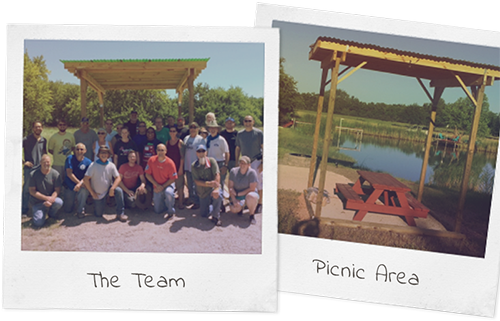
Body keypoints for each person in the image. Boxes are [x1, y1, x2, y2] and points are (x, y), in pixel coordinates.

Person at [83, 145, 126, 221]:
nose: (104, 155)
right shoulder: (93, 165)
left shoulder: (111, 165)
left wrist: (112, 188)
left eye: (106, 153)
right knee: (98, 214)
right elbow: (86, 179)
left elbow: (118, 178)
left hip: (108, 189)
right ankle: (98, 205)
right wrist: (92, 192)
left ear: (109, 155)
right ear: (98, 155)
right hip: (97, 193)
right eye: (102, 153)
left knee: (118, 190)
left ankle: (120, 213)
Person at [235, 115, 264, 213]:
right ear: (243, 122)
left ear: (253, 122)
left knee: (258, 182)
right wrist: (236, 162)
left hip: (256, 161)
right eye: (246, 121)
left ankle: (260, 203)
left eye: (249, 121)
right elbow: (238, 148)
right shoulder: (240, 134)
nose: (248, 123)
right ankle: (248, 203)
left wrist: (263, 163)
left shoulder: (259, 133)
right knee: (246, 184)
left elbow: (264, 148)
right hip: (245, 162)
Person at [191, 144, 223, 226]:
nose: (201, 153)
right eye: (199, 151)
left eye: (203, 151)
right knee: (204, 214)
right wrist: (209, 184)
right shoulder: (194, 165)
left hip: (213, 188)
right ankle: (215, 206)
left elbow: (217, 174)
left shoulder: (212, 161)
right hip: (203, 192)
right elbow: (196, 181)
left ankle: (216, 216)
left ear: (206, 152)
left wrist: (216, 188)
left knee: (217, 195)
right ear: (196, 153)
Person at [28, 154, 64, 227]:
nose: (46, 164)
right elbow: (32, 191)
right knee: (38, 223)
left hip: (51, 201)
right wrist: (46, 198)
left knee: (59, 202)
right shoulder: (33, 174)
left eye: (48, 162)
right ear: (40, 162)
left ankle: (51, 214)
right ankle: (41, 213)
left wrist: (51, 199)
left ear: (50, 162)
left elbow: (57, 190)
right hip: (38, 202)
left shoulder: (55, 174)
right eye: (44, 162)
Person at [144, 144, 178, 219]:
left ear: (166, 151)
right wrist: (157, 185)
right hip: (156, 185)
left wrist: (162, 187)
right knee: (157, 210)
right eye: (159, 150)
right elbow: (147, 174)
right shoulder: (151, 160)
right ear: (156, 151)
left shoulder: (170, 163)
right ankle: (163, 204)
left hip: (168, 184)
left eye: (162, 150)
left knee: (168, 193)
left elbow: (173, 178)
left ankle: (170, 211)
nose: (160, 152)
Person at [22, 121, 47, 214]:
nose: (38, 129)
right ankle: (24, 209)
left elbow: (44, 153)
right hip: (30, 168)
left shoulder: (44, 140)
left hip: (40, 168)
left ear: (42, 128)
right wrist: (24, 162)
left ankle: (38, 208)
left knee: (39, 189)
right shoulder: (26, 139)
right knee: (27, 189)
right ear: (33, 128)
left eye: (40, 127)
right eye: (36, 127)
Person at [63, 143, 92, 218]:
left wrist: (80, 184)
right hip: (70, 185)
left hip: (82, 185)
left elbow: (87, 176)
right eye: (77, 149)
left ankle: (80, 209)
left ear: (85, 151)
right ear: (74, 150)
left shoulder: (88, 162)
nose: (79, 151)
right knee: (68, 210)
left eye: (81, 149)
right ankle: (74, 201)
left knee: (85, 190)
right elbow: (69, 173)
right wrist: (79, 183)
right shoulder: (70, 158)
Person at [228, 156, 259, 224]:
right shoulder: (233, 171)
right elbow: (230, 187)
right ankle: (240, 209)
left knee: (252, 197)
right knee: (234, 209)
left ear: (248, 165)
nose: (242, 165)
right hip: (237, 194)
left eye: (244, 163)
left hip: (248, 194)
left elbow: (252, 189)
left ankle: (251, 215)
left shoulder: (252, 173)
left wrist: (238, 194)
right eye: (241, 163)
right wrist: (234, 199)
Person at [182, 122, 206, 209]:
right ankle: (191, 198)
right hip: (187, 165)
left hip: (196, 165)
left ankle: (197, 201)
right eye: (191, 127)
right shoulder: (186, 138)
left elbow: (203, 152)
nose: (192, 129)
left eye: (194, 127)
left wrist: (201, 164)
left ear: (198, 129)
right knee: (189, 183)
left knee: (196, 184)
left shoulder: (200, 139)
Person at [206, 120, 230, 200]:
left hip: (220, 163)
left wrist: (225, 165)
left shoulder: (221, 140)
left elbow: (227, 153)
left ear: (217, 129)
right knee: (211, 183)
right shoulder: (207, 139)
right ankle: (212, 201)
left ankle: (221, 203)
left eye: (214, 128)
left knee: (220, 183)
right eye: (211, 128)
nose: (212, 130)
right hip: (209, 164)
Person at [48, 119, 75, 183]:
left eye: (64, 125)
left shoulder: (71, 136)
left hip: (68, 164)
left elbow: (73, 147)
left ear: (67, 126)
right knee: (57, 182)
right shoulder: (53, 137)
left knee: (68, 182)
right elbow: (50, 150)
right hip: (57, 164)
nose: (62, 126)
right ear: (57, 126)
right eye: (60, 125)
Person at [166, 126, 185, 208]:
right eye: (171, 131)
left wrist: (181, 168)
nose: (172, 132)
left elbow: (182, 156)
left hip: (178, 166)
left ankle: (181, 203)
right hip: (169, 168)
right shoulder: (167, 143)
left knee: (180, 185)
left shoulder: (180, 142)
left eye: (174, 131)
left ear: (176, 132)